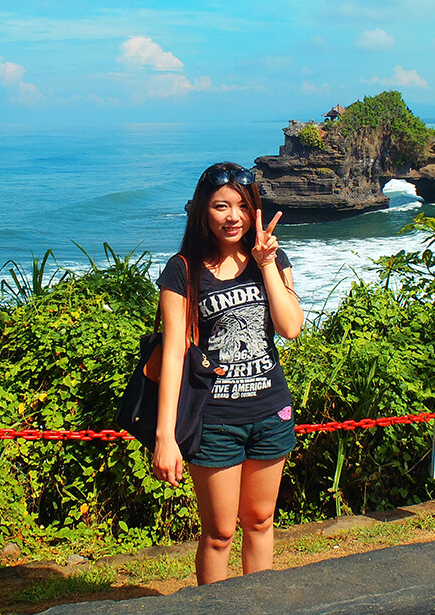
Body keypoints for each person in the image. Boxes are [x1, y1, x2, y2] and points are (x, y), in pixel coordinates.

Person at [153, 162, 304, 585]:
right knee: (219, 533)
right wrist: (166, 437)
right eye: (221, 206)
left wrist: (267, 264)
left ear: (254, 210)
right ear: (204, 211)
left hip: (270, 412)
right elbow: (173, 357)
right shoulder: (183, 271)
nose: (232, 216)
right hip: (215, 421)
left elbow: (291, 327)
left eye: (241, 206)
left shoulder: (272, 260)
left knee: (260, 521)